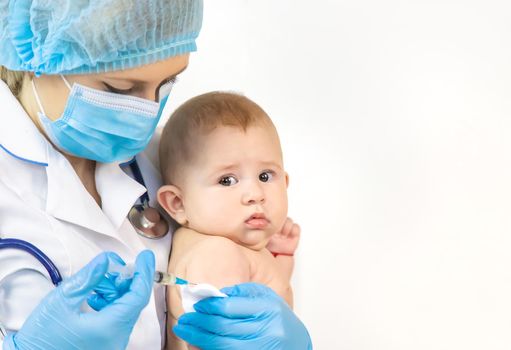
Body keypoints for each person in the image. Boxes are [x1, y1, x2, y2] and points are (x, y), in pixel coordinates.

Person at [0, 1, 312, 349]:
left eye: (167, 83)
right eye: (119, 88)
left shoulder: (178, 158)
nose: (147, 111)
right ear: (36, 62)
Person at [157, 92, 301, 350]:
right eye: (227, 180)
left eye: (266, 176)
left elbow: (267, 302)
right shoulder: (218, 254)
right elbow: (228, 335)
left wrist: (279, 260)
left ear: (286, 182)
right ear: (178, 203)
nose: (256, 194)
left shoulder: (224, 246)